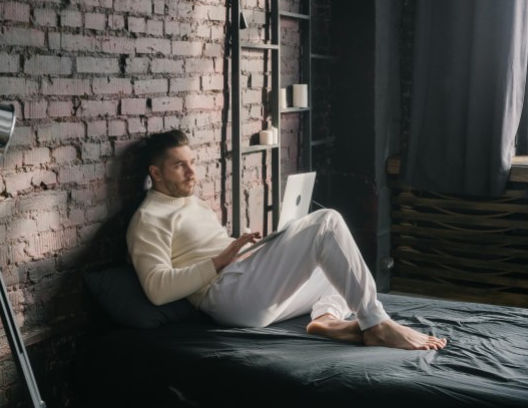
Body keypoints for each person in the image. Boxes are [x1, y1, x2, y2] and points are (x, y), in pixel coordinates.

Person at [126, 129, 447, 350]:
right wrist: (220, 261)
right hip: (226, 296)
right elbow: (157, 289)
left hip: (243, 281)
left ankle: (327, 319)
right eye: (180, 165)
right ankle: (377, 323)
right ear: (156, 173)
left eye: (192, 162)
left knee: (335, 258)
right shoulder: (148, 219)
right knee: (326, 222)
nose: (192, 172)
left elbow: (204, 247)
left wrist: (249, 247)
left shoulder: (189, 201)